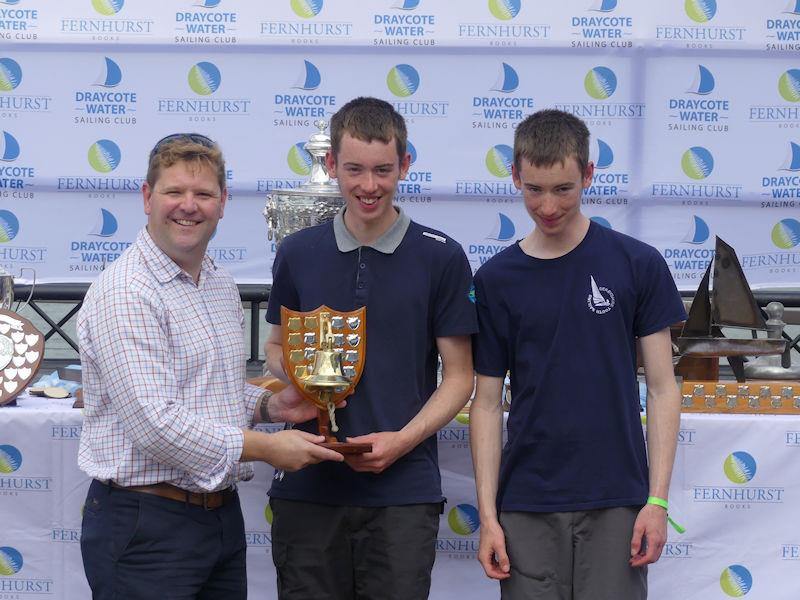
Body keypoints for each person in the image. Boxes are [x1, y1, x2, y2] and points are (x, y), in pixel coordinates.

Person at [77, 133, 343, 600]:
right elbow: (156, 424)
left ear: (223, 203)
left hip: (219, 518)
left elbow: (205, 389)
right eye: (174, 192)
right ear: (146, 197)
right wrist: (265, 448)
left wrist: (271, 405)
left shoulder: (218, 282)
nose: (188, 206)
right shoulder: (127, 291)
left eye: (203, 194)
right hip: (146, 526)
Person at [264, 96, 477, 599]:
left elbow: (461, 376)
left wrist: (402, 441)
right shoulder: (297, 253)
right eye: (354, 169)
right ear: (332, 164)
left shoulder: (439, 256)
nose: (369, 186)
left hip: (403, 492)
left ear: (404, 165)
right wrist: (303, 373)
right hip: (308, 484)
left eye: (383, 170)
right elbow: (274, 346)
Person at [469, 109, 687, 600]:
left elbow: (662, 387)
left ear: (589, 174)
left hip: (617, 499)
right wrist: (488, 517)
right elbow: (485, 404)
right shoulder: (495, 279)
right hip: (526, 501)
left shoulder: (637, 264)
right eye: (534, 189)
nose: (547, 206)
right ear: (515, 176)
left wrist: (657, 500)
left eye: (563, 189)